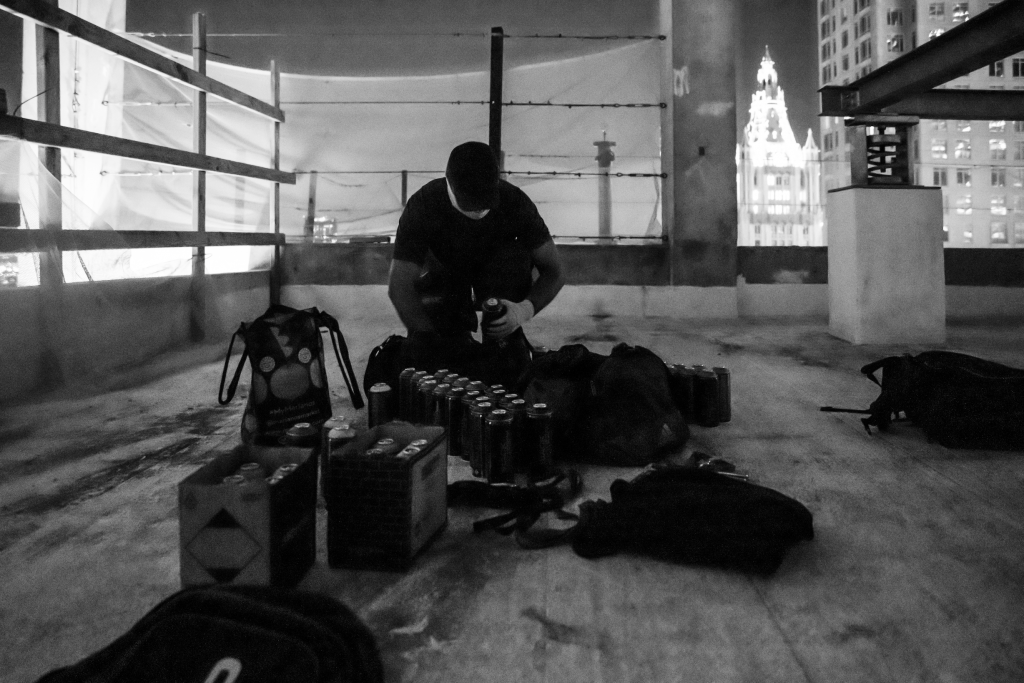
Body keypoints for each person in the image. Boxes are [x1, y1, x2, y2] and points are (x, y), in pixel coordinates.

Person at [388, 141, 564, 378]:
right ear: (450, 185)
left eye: (487, 200)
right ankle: (450, 337)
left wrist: (524, 310)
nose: (479, 211)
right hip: (446, 280)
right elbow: (400, 285)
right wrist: (427, 340)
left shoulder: (515, 202)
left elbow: (555, 271)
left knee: (512, 261)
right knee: (436, 324)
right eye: (470, 202)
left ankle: (505, 339)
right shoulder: (424, 205)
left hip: (499, 280)